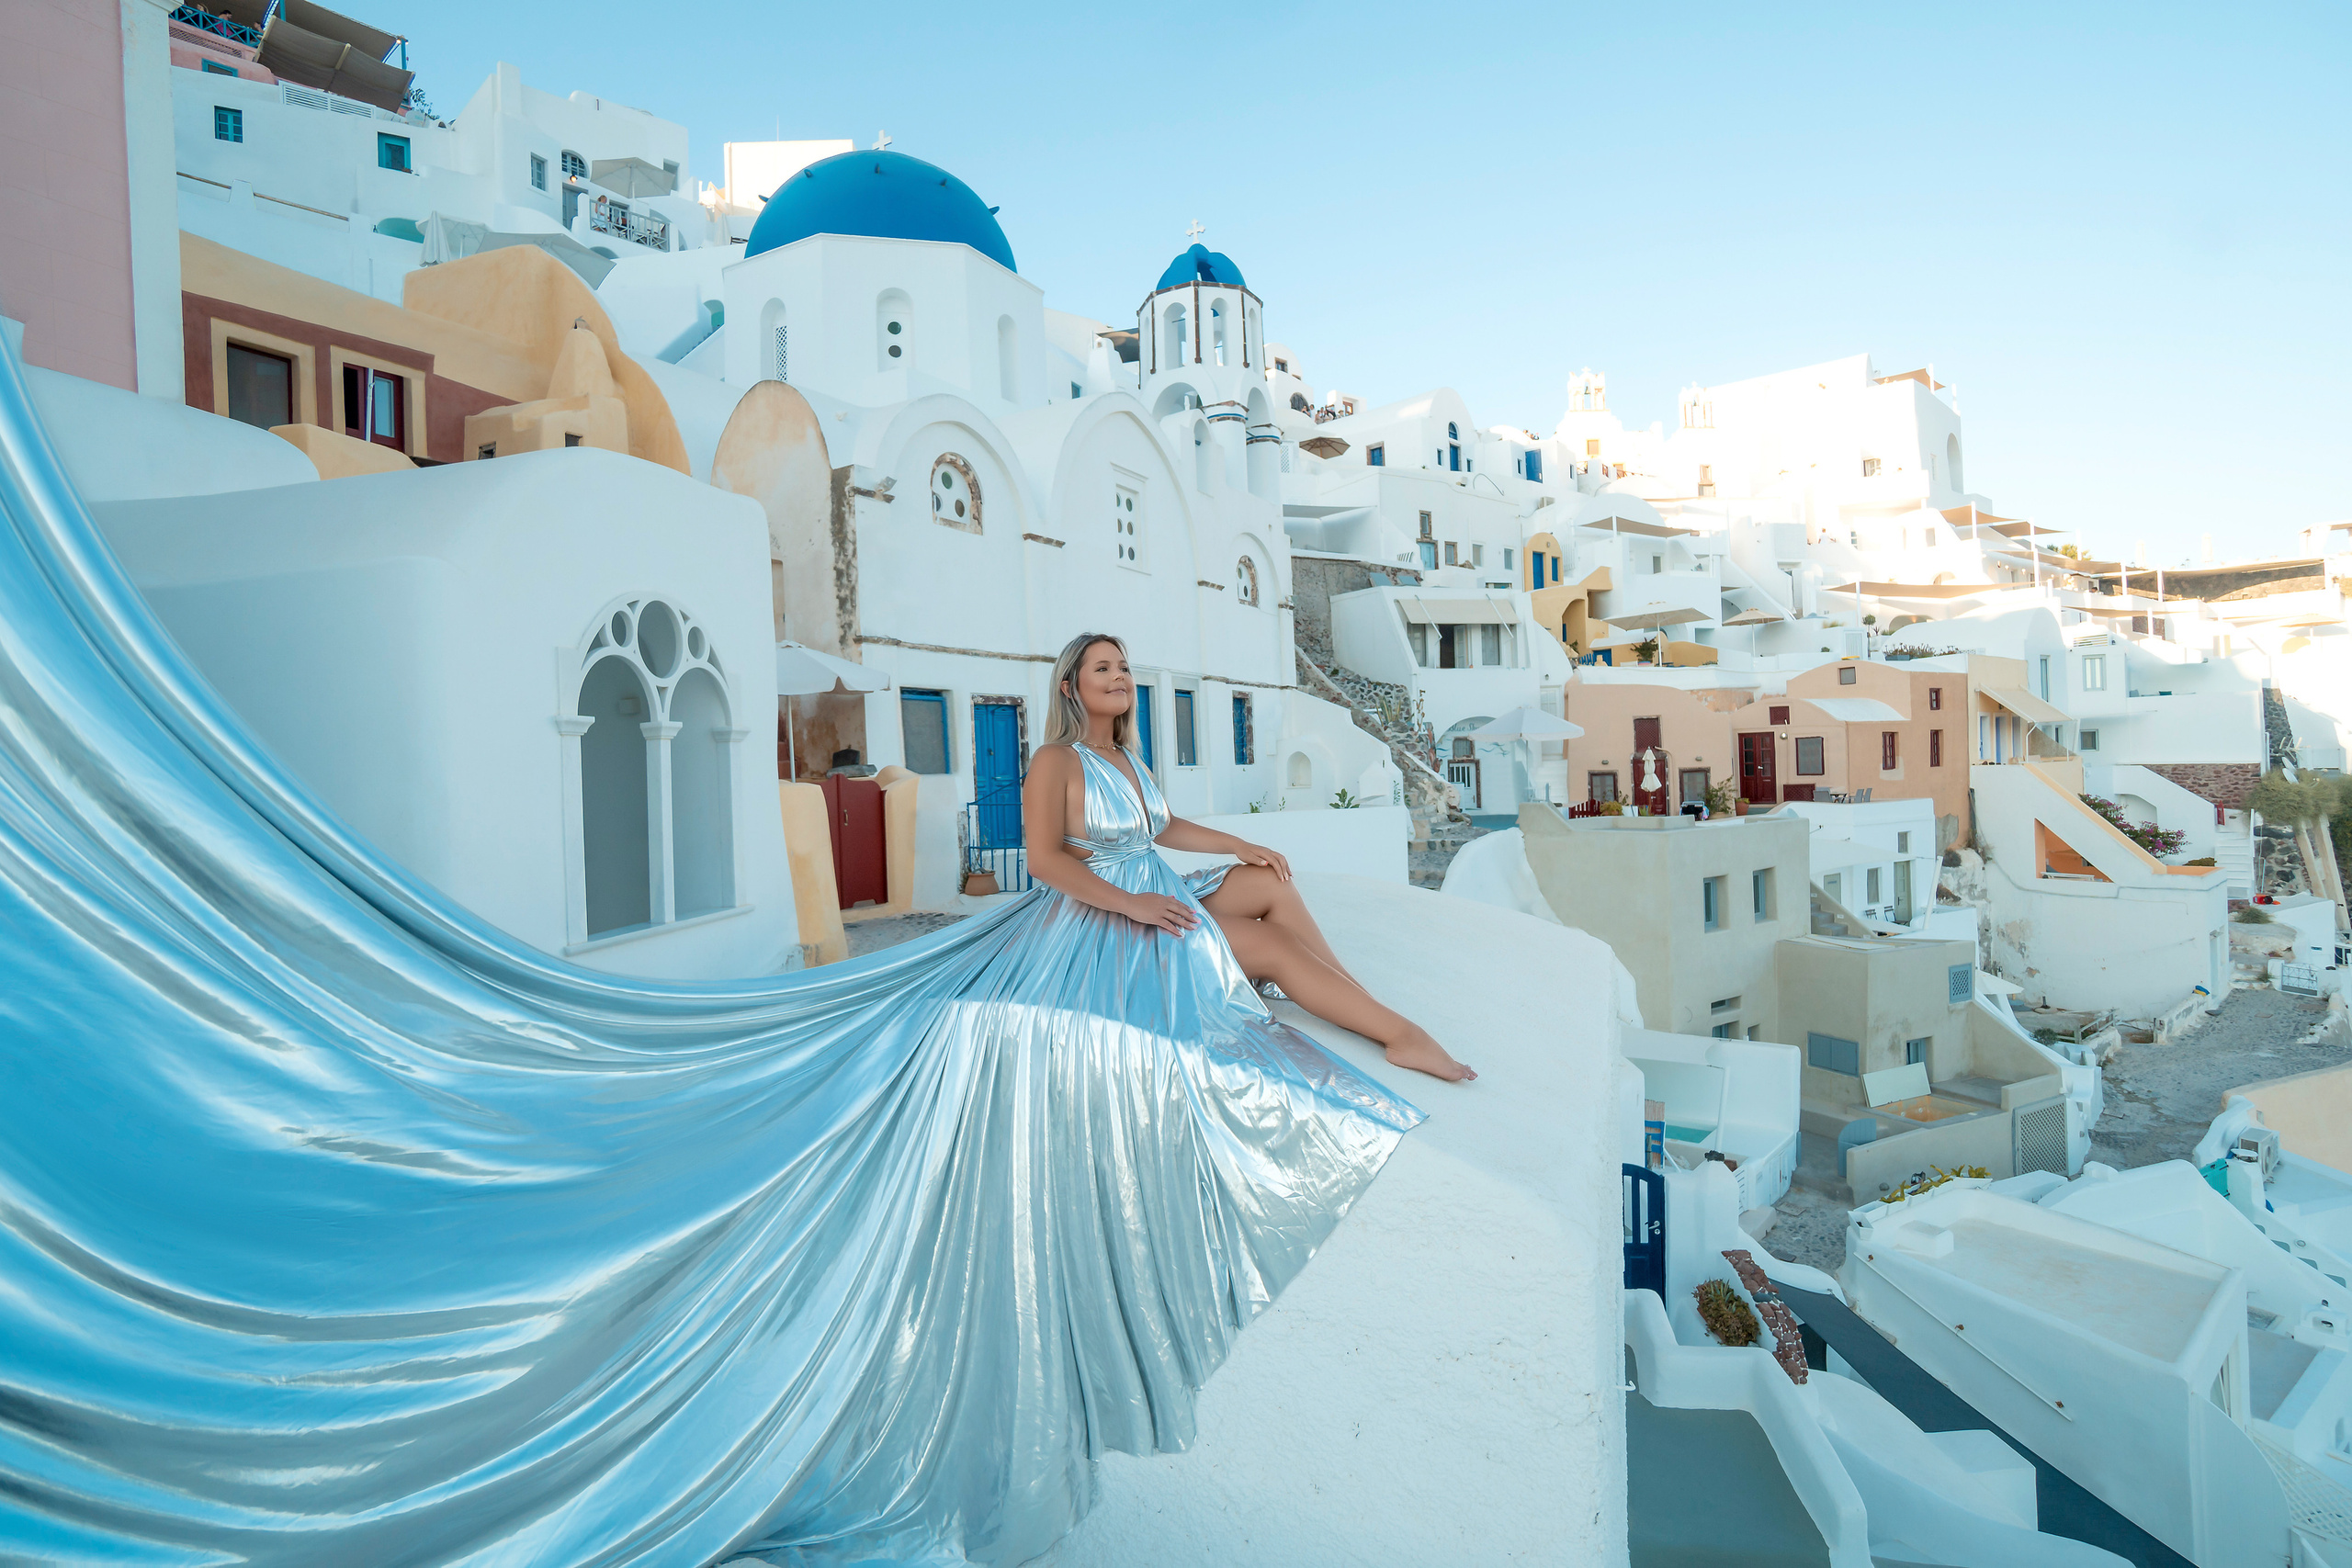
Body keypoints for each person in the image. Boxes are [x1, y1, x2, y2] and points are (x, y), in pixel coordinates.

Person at [1023, 632, 1476, 1082]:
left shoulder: (1125, 756)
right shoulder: (1055, 759)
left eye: (1122, 666)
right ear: (1070, 687)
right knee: (1277, 945)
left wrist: (1237, 845)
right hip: (1107, 919)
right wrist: (1134, 905)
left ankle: (1359, 1002)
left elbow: (1160, 826)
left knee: (1267, 880)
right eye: (1101, 669)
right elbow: (1043, 860)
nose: (1118, 676)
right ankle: (1402, 1036)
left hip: (1155, 892)